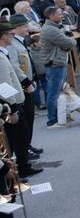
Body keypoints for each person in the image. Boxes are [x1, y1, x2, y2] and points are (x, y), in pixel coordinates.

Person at [0, 20, 41, 178]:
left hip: (14, 102)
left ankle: (22, 165)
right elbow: (4, 84)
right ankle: (21, 167)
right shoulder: (1, 57)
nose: (12, 36)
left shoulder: (3, 53)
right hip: (11, 104)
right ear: (3, 36)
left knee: (20, 136)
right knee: (18, 137)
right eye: (10, 34)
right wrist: (13, 108)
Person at [40, 7, 76, 127]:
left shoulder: (54, 28)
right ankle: (52, 120)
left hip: (57, 63)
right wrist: (71, 39)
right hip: (54, 65)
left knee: (58, 91)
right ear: (51, 15)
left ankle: (60, 116)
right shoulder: (51, 30)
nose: (62, 16)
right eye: (59, 14)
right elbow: (69, 43)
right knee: (53, 93)